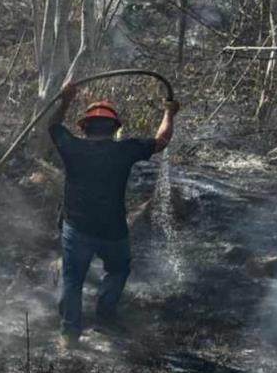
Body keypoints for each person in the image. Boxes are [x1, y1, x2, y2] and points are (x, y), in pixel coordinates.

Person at [49, 84, 180, 346]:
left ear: (84, 127)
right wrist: (169, 112)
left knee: (73, 278)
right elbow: (161, 141)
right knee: (118, 269)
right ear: (114, 129)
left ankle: (69, 333)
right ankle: (106, 317)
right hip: (113, 230)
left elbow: (53, 127)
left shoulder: (71, 147)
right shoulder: (125, 150)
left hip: (77, 228)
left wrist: (65, 99)